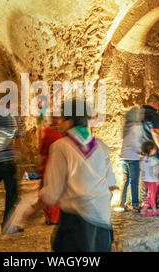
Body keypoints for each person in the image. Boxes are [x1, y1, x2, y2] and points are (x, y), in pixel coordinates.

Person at [26, 99, 117, 252]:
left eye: (61, 118)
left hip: (77, 224)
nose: (58, 122)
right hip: (103, 222)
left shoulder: (61, 147)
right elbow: (111, 184)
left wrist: (32, 211)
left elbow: (52, 193)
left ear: (70, 121)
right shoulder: (101, 146)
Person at [141, 94, 159, 208]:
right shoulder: (153, 114)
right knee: (154, 177)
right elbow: (155, 132)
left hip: (140, 151)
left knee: (143, 177)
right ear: (155, 102)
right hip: (152, 151)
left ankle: (144, 201)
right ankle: (154, 202)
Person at [38, 116, 63, 225]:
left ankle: (50, 217)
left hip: (48, 163)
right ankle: (56, 217)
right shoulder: (63, 133)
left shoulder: (47, 131)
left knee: (46, 188)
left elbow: (42, 149)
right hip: (59, 164)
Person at [119, 106, 144, 212]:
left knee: (126, 180)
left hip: (123, 156)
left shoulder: (126, 126)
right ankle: (135, 204)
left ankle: (122, 202)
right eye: (140, 114)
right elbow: (136, 143)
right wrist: (142, 152)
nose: (142, 116)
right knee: (134, 181)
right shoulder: (137, 126)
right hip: (133, 157)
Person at [139, 141, 159, 217]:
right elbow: (154, 171)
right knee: (151, 195)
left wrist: (141, 179)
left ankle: (148, 210)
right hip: (152, 180)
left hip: (145, 179)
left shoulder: (143, 159)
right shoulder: (153, 160)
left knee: (149, 195)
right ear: (150, 150)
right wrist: (158, 180)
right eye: (155, 148)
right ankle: (150, 210)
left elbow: (142, 170)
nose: (156, 150)